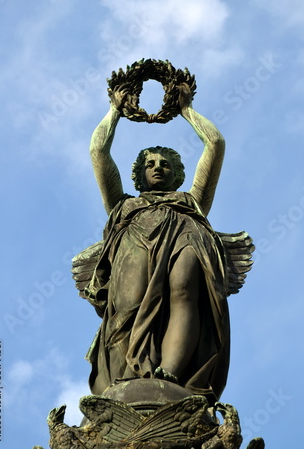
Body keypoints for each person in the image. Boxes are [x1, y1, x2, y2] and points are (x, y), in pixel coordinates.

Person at [83, 83, 231, 404]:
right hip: (134, 239)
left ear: (177, 173)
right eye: (150, 164)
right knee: (127, 306)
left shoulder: (190, 202)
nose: (158, 168)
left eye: (165, 164)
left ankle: (171, 374)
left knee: (183, 292)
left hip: (185, 234)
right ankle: (128, 380)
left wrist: (186, 110)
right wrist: (115, 111)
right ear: (139, 174)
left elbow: (215, 144)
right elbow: (98, 151)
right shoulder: (123, 206)